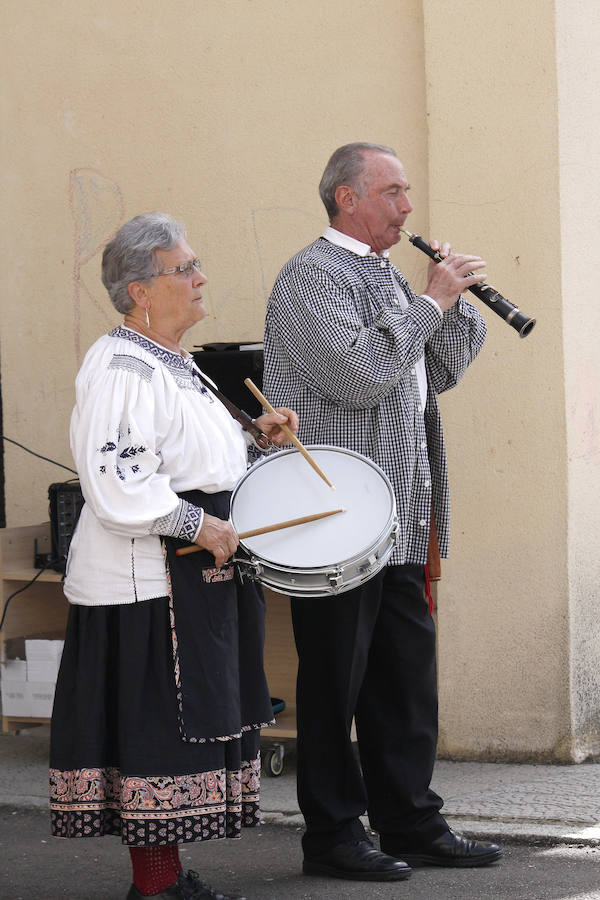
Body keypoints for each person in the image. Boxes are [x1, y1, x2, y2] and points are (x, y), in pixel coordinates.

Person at [262, 142, 502, 883]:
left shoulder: (386, 273)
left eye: (406, 192)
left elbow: (436, 372)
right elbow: (361, 376)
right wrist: (430, 301)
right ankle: (333, 835)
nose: (407, 207)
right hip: (337, 520)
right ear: (347, 198)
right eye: (392, 191)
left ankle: (410, 820)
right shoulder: (311, 277)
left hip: (399, 514)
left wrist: (453, 304)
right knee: (336, 682)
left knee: (403, 681)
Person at [49, 212, 298, 900]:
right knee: (156, 735)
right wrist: (198, 523)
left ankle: (167, 877)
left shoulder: (172, 361)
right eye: (184, 268)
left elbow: (192, 454)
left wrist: (254, 438)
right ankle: (155, 886)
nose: (200, 278)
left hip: (187, 576)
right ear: (141, 292)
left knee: (177, 733)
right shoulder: (123, 368)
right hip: (147, 583)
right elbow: (119, 481)